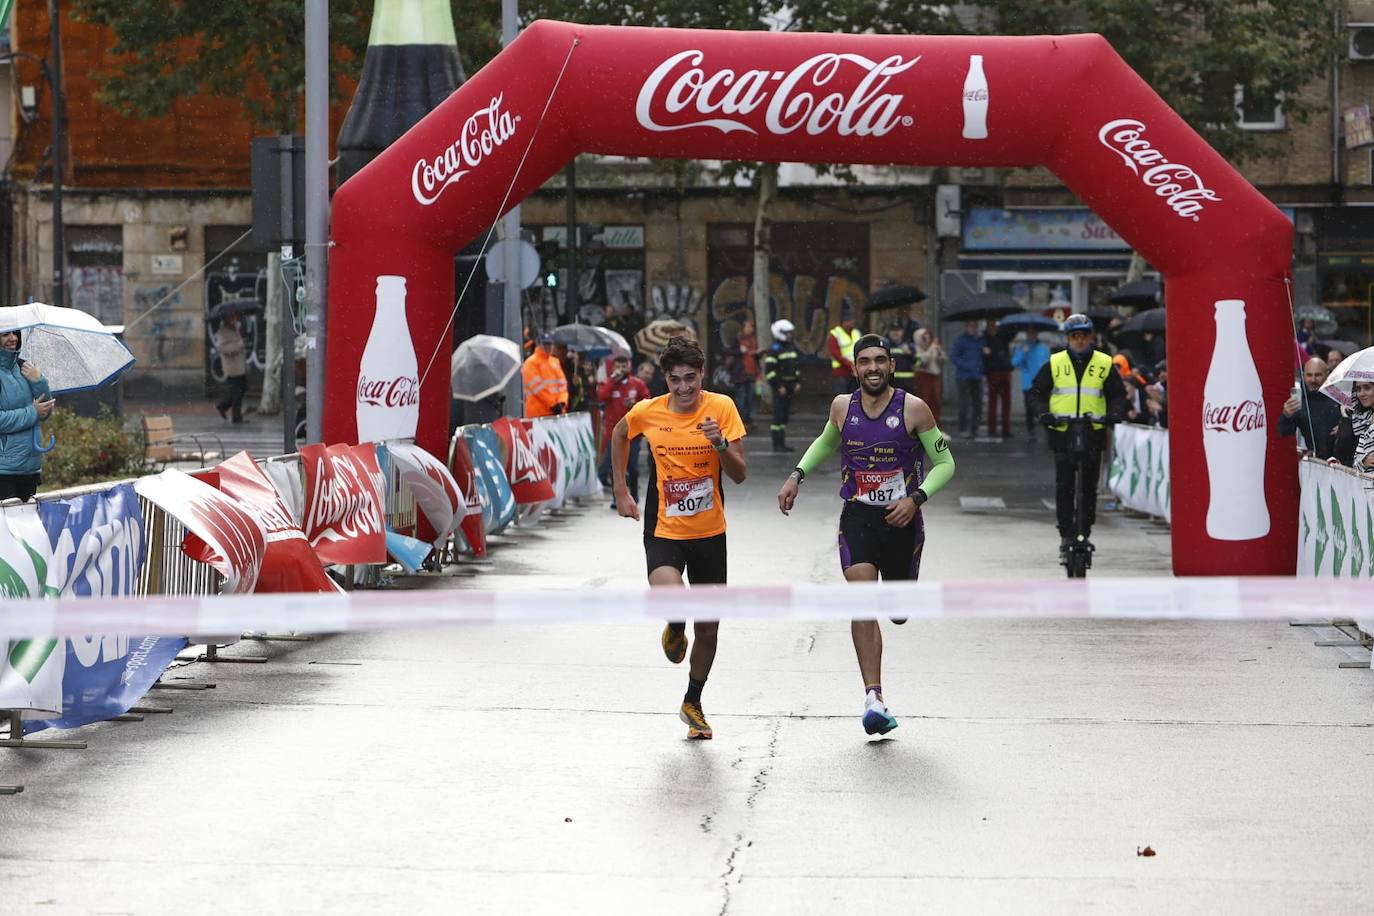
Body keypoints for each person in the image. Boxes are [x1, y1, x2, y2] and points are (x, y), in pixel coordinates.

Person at [775, 334, 956, 736]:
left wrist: (916, 499)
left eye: (880, 361)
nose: (872, 368)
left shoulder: (914, 409)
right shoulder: (843, 406)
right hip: (857, 517)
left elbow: (945, 463)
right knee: (861, 599)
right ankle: (873, 697)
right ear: (854, 367)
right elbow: (826, 442)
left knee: (896, 609)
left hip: (902, 522)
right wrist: (796, 475)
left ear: (891, 365)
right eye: (865, 362)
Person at [611, 336, 747, 740]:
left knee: (708, 629)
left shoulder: (721, 408)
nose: (684, 388)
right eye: (675, 380)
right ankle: (673, 622)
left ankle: (693, 701)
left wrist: (719, 443)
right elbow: (620, 434)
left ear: (702, 375)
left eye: (691, 378)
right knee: (673, 597)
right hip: (664, 528)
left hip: (710, 533)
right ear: (665, 379)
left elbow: (739, 474)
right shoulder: (648, 412)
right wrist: (621, 489)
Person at [1029, 313, 1128, 559]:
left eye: (1084, 336)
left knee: (1088, 486)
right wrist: (1044, 413)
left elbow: (1118, 394)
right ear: (1068, 338)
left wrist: (1113, 414)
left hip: (1092, 431)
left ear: (1091, 337)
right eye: (1075, 336)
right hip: (1063, 432)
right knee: (1065, 486)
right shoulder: (1055, 362)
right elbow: (1037, 392)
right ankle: (1066, 533)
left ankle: (1085, 530)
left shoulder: (1104, 363)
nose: (1080, 341)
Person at [0, 329, 54, 502]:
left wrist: (39, 382)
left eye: (15, 333)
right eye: (5, 334)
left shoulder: (24, 368)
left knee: (27, 526)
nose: (13, 338)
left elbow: (45, 412)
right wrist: (32, 412)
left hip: (30, 467)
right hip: (4, 471)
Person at [597, 352, 649, 503]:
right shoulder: (608, 383)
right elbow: (601, 396)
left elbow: (647, 401)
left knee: (633, 467)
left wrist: (635, 403)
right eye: (618, 366)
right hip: (614, 435)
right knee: (616, 468)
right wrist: (613, 381)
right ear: (613, 368)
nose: (621, 369)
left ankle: (634, 492)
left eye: (623, 366)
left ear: (629, 366)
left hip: (634, 434)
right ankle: (617, 499)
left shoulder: (637, 383)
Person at [1278, 357, 1340, 459]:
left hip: (1345, 463)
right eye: (1309, 375)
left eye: (1318, 375)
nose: (1313, 380)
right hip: (1316, 463)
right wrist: (1286, 415)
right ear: (1303, 376)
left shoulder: (1340, 396)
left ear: (1327, 374)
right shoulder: (1300, 401)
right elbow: (1284, 433)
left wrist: (1345, 427)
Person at [764, 318, 802, 452]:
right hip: (780, 388)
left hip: (790, 387)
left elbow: (795, 366)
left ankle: (783, 443)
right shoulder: (774, 349)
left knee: (785, 416)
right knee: (778, 417)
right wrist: (778, 386)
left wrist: (797, 382)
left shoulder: (791, 347)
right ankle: (777, 443)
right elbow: (769, 372)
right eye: (788, 333)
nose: (790, 335)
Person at [949, 320, 985, 438]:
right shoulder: (960, 340)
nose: (972, 329)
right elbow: (953, 356)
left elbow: (982, 356)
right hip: (963, 376)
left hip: (977, 376)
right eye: (970, 326)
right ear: (966, 327)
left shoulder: (980, 340)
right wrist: (967, 366)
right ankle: (963, 428)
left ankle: (975, 428)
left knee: (977, 403)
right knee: (964, 403)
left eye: (974, 326)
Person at [1011, 333, 1051, 438]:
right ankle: (1031, 430)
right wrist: (1023, 353)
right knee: (1029, 408)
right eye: (1029, 333)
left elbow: (1048, 364)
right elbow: (1014, 362)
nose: (1031, 336)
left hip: (1042, 383)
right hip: (1028, 383)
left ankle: (1046, 429)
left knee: (1043, 406)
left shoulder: (1043, 348)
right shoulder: (1023, 347)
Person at [521, 332, 569, 418]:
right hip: (537, 414)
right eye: (545, 344)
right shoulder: (530, 363)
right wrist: (553, 405)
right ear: (539, 345)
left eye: (550, 344)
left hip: (556, 413)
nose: (548, 347)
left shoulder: (555, 362)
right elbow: (538, 389)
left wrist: (562, 402)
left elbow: (563, 386)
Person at [1333, 380, 1374, 472]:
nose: (1361, 394)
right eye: (1358, 389)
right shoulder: (1364, 420)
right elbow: (1355, 462)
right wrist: (1363, 462)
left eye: (1367, 388)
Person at [214, 312, 248, 423]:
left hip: (240, 365)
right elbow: (223, 348)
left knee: (242, 390)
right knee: (237, 393)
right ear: (227, 319)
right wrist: (239, 345)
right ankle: (236, 417)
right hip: (232, 367)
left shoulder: (235, 329)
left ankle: (223, 406)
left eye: (236, 317)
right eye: (232, 317)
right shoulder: (222, 332)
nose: (235, 320)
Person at [982, 319, 1012, 438]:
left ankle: (1005, 428)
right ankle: (992, 428)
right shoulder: (985, 338)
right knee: (993, 402)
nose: (993, 327)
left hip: (1004, 370)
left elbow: (1011, 334)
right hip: (993, 372)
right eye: (991, 325)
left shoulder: (1003, 335)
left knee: (1006, 402)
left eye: (994, 325)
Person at [911, 328, 945, 425]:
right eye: (924, 337)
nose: (927, 339)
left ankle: (936, 424)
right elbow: (924, 360)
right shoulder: (916, 348)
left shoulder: (933, 347)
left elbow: (943, 359)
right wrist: (931, 348)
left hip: (934, 376)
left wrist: (939, 352)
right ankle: (923, 425)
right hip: (922, 376)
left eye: (928, 336)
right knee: (924, 401)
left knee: (936, 402)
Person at [734, 317, 761, 428]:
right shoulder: (737, 340)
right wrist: (738, 350)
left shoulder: (753, 339)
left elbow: (754, 356)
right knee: (741, 397)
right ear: (743, 328)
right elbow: (728, 351)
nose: (751, 329)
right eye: (749, 326)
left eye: (752, 326)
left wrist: (758, 354)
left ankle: (748, 420)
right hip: (741, 373)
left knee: (749, 398)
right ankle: (742, 421)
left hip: (751, 372)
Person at [827, 307, 861, 394]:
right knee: (842, 398)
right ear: (843, 322)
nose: (852, 322)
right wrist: (851, 366)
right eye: (849, 320)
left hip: (855, 372)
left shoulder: (856, 333)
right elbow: (836, 354)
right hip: (840, 372)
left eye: (852, 320)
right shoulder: (835, 334)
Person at [888, 320, 916, 391]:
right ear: (889, 332)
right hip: (891, 382)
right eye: (893, 330)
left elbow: (917, 362)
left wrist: (909, 353)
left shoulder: (910, 345)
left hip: (907, 383)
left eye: (898, 330)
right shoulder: (886, 345)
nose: (895, 333)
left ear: (902, 332)